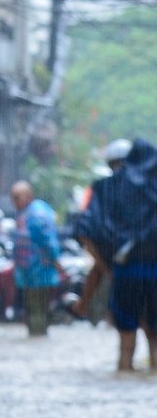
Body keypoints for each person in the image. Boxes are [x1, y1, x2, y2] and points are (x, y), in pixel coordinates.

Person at [72, 137, 157, 370]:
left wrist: (107, 267)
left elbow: (85, 231)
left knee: (126, 340)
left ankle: (125, 372)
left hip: (126, 272)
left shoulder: (108, 188)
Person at [10, 180, 62, 337]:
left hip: (39, 271)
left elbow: (47, 240)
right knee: (32, 309)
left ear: (29, 196)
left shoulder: (36, 214)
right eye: (13, 198)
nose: (15, 202)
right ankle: (37, 336)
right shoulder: (26, 213)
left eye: (18, 197)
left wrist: (56, 260)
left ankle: (38, 337)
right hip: (28, 272)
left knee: (37, 310)